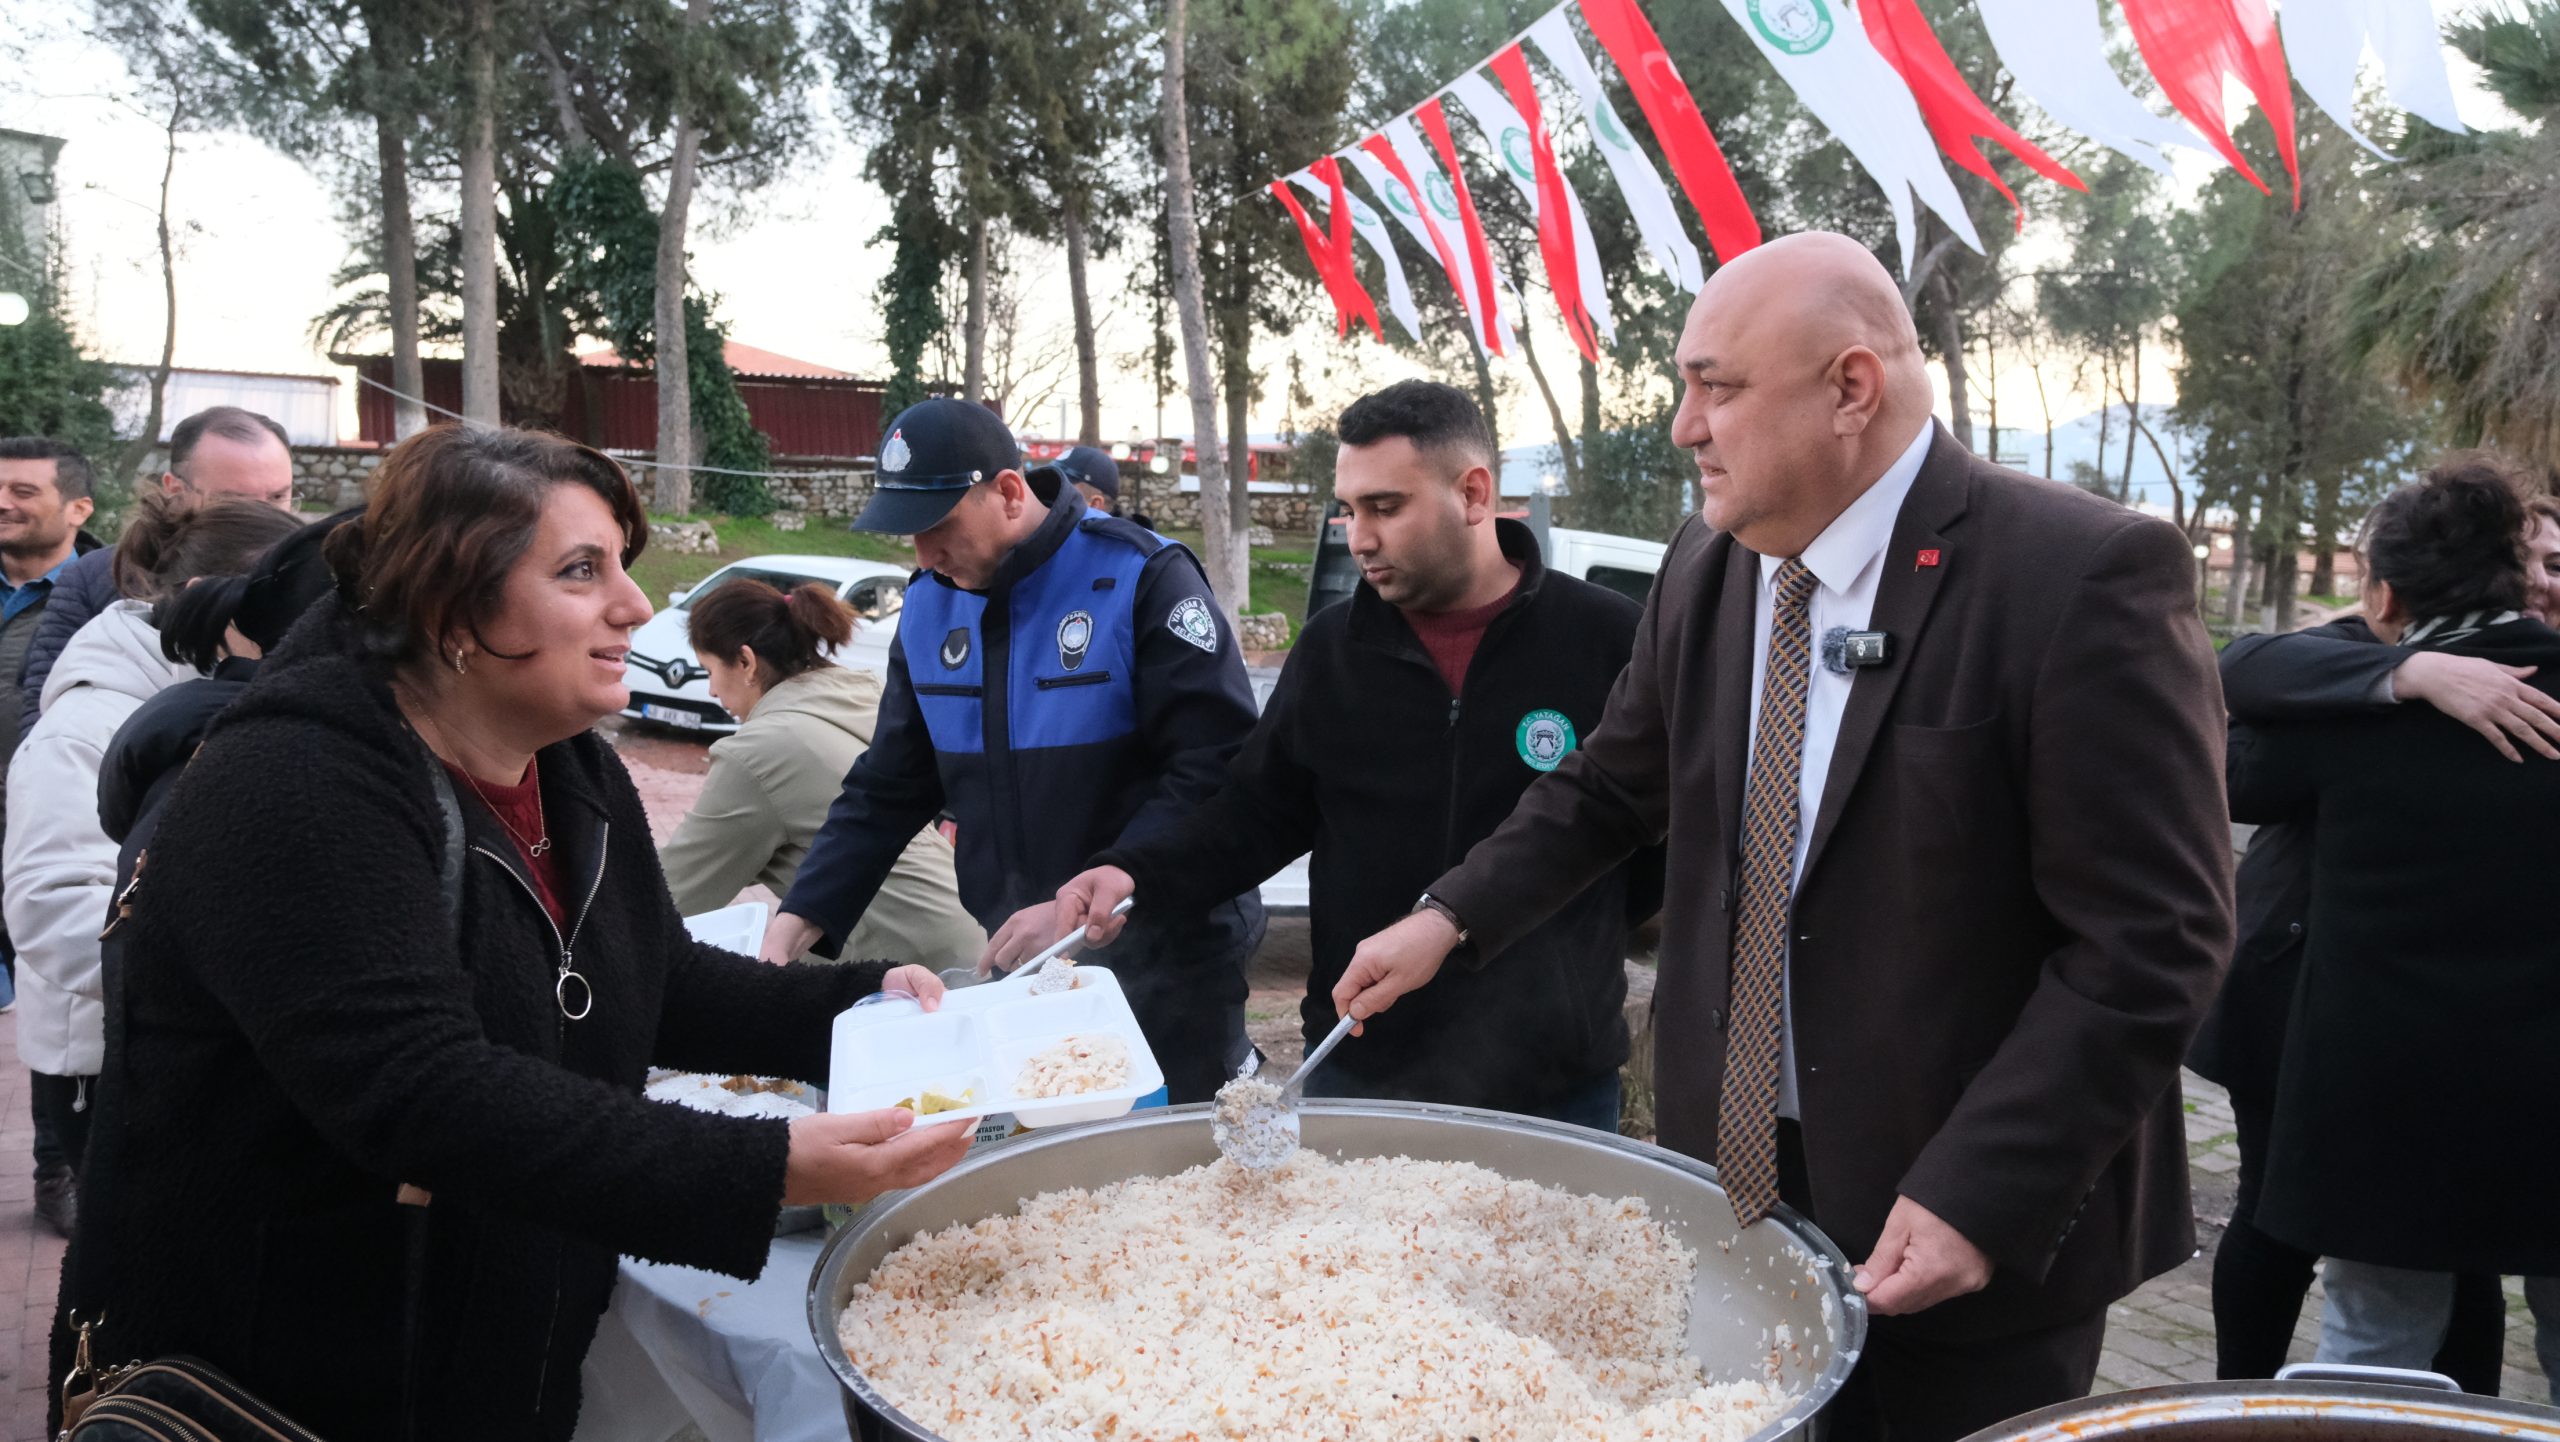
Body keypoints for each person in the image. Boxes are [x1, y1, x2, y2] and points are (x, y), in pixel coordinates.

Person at [1329, 233, 2233, 1441]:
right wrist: (1447, 916)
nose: (1683, 426)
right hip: (1734, 1168)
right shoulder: (1717, 562)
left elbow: (2152, 940)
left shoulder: (2077, 573)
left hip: (1959, 1208)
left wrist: (1979, 1187)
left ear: (1849, 388)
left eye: (1717, 385)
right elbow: (1608, 788)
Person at [50, 425, 975, 1441]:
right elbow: (420, 1088)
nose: (634, 604)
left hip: (478, 1357)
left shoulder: (570, 763)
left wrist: (861, 1002)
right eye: (582, 570)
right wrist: (766, 1166)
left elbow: (654, 976)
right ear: (452, 609)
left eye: (621, 563)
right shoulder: (290, 784)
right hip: (283, 1378)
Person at [1041, 381, 1651, 1126]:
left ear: (1474, 492)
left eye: (1386, 507)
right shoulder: (1334, 649)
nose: (1358, 537)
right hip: (1360, 1066)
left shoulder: (1607, 639)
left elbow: (1641, 841)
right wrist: (1133, 872)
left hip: (1556, 1086)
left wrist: (1562, 967)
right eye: (1350, 508)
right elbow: (1253, 817)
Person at [762, 398, 1264, 1103]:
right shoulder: (930, 607)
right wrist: (799, 918)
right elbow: (889, 786)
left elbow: (1218, 768)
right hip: (1023, 953)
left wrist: (1082, 896)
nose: (924, 554)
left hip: (1173, 949)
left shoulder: (1137, 578)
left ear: (1005, 491)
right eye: (909, 535)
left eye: (937, 527)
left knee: (1174, 1169)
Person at [2195, 495, 2560, 1386]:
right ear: (2525, 582)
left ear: (2385, 595)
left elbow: (2229, 740)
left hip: (2386, 1104)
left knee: (2372, 1353)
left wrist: (2394, 681)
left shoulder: (2356, 720)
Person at [5, 493, 303, 1239]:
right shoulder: (86, 725)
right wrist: (248, 969)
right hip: (111, 1071)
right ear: (221, 606)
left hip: (212, 1054)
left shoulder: (240, 697)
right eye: (295, 607)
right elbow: (52, 911)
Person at [659, 577, 984, 965]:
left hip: (902, 964)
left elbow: (671, 893)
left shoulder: (760, 751)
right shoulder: (859, 695)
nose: (711, 691)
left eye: (709, 670)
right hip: (967, 934)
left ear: (745, 662)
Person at [17, 405, 299, 734]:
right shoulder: (94, 577)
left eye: (279, 495)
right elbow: (44, 713)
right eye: (234, 500)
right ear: (175, 489)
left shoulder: (318, 574)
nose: (263, 515)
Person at [0, 437, 104, 1019]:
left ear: (78, 508)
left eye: (22, 491)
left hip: (58, 831)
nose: (3, 503)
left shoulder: (113, 595)